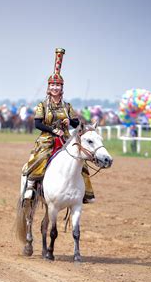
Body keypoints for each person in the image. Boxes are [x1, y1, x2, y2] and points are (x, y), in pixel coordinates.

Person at [22, 48, 96, 203]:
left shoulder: (67, 106)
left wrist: (70, 122)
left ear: (62, 88)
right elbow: (37, 124)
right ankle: (30, 187)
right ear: (49, 88)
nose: (55, 88)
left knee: (80, 160)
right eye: (53, 85)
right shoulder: (42, 105)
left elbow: (77, 122)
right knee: (40, 157)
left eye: (58, 85)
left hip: (66, 139)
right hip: (47, 138)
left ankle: (86, 193)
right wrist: (53, 129)